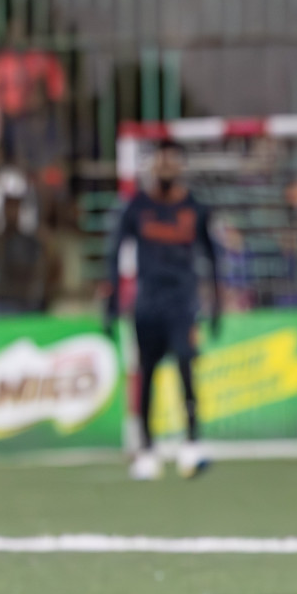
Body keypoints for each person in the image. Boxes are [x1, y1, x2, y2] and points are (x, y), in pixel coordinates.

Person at [105, 139, 221, 481]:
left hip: (182, 303)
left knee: (187, 363)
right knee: (147, 373)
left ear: (181, 167)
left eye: (172, 161)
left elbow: (212, 258)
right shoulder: (137, 207)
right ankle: (146, 448)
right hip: (148, 303)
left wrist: (216, 305)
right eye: (161, 161)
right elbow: (115, 251)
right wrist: (111, 300)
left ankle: (192, 442)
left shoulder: (195, 209)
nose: (166, 167)